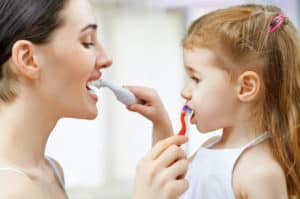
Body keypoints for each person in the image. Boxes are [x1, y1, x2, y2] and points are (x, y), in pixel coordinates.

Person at [0, 0, 189, 198]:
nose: (106, 58)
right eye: (87, 42)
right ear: (28, 59)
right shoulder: (12, 189)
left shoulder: (50, 171)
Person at [127, 4, 300, 199]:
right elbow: (167, 183)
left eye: (196, 79)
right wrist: (160, 122)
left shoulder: (260, 173)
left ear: (246, 87)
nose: (185, 92)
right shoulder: (209, 148)